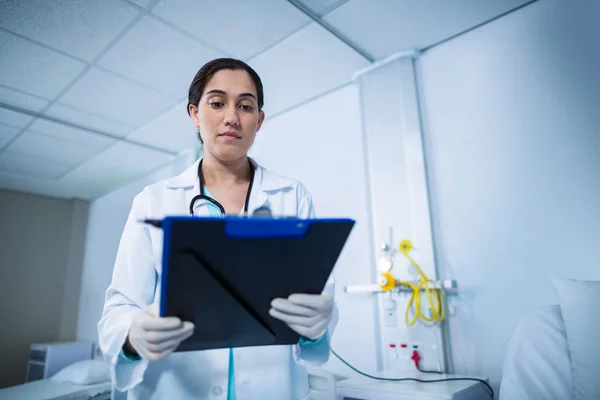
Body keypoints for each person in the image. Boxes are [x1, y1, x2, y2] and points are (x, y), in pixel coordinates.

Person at [97, 58, 338, 400]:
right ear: (195, 114)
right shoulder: (153, 201)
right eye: (217, 103)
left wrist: (317, 326)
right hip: (176, 389)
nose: (231, 117)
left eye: (245, 106)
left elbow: (316, 303)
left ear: (259, 120)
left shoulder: (292, 197)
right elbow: (120, 307)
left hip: (272, 387)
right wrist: (132, 335)